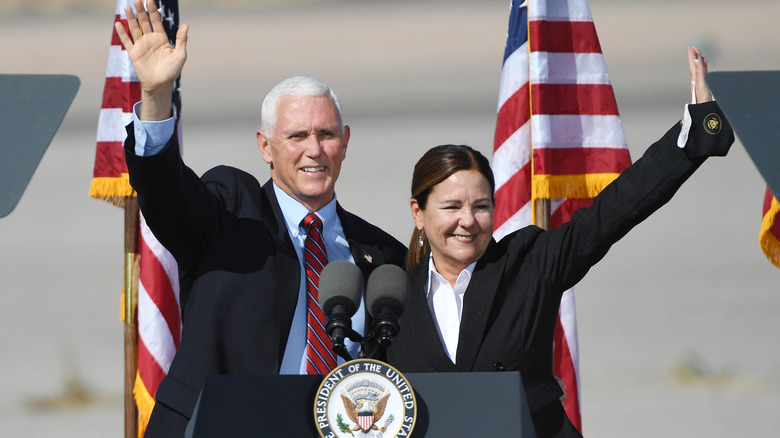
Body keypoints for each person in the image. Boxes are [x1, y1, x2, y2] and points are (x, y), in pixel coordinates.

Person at [385, 48, 734, 438]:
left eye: (481, 206)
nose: (468, 221)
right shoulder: (392, 298)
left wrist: (697, 133)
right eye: (452, 206)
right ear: (418, 212)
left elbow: (616, 209)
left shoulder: (529, 263)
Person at [115, 1, 406, 436]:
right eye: (296, 136)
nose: (314, 149)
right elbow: (165, 195)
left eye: (326, 134)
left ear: (344, 142)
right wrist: (157, 97)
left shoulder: (381, 253)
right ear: (265, 147)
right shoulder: (231, 212)